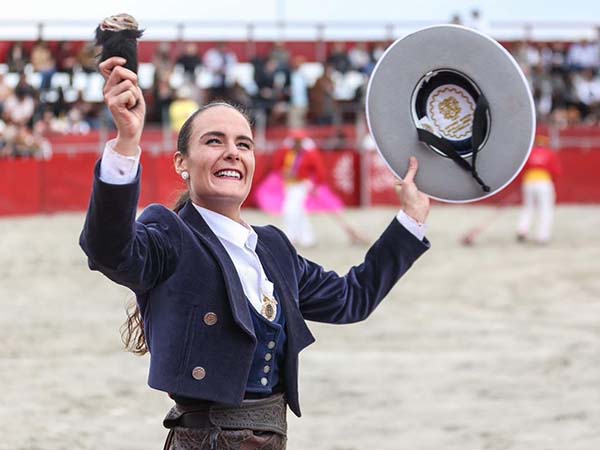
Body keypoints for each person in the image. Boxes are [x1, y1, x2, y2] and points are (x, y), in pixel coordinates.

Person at [80, 57, 431, 450]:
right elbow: (108, 250)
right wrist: (127, 143)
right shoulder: (169, 233)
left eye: (243, 144)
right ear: (182, 162)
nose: (232, 152)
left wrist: (410, 221)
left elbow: (353, 298)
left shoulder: (274, 247)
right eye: (214, 141)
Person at [516, 135, 562, 244]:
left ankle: (522, 230)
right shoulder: (550, 153)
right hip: (544, 182)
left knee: (528, 207)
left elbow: (522, 169)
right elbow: (556, 171)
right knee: (545, 209)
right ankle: (542, 236)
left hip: (528, 182)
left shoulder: (529, 153)